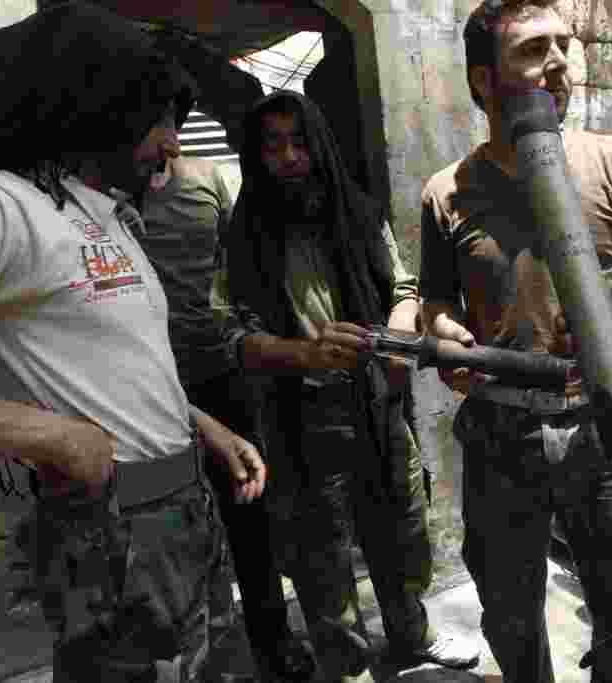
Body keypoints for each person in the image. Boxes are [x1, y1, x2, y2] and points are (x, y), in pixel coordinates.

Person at [0, 3, 265, 681]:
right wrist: (45, 435)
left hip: (187, 513)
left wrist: (202, 428)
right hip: (115, 533)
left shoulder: (110, 213)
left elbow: (110, 363)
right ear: (90, 105)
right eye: (155, 118)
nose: (173, 142)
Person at [419, 1, 612, 681]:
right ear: (483, 79)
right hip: (498, 432)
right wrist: (441, 328)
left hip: (602, 429)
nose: (560, 62)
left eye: (564, 45)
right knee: (509, 613)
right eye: (534, 49)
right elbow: (437, 300)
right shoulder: (446, 192)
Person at [220, 90, 481, 682]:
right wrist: (301, 353)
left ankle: (412, 635)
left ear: (319, 146)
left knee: (400, 527)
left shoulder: (358, 213)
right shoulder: (246, 234)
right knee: (321, 553)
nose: (288, 157)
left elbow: (404, 288)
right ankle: (345, 663)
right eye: (272, 146)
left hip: (377, 402)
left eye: (298, 142)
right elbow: (231, 330)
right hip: (300, 413)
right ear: (256, 157)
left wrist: (392, 332)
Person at [136, 148, 316, 681]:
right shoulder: (106, 188)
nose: (168, 134)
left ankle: (271, 636)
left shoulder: (206, 177)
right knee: (179, 528)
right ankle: (205, 650)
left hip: (219, 372)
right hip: (145, 388)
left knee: (250, 512)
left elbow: (235, 263)